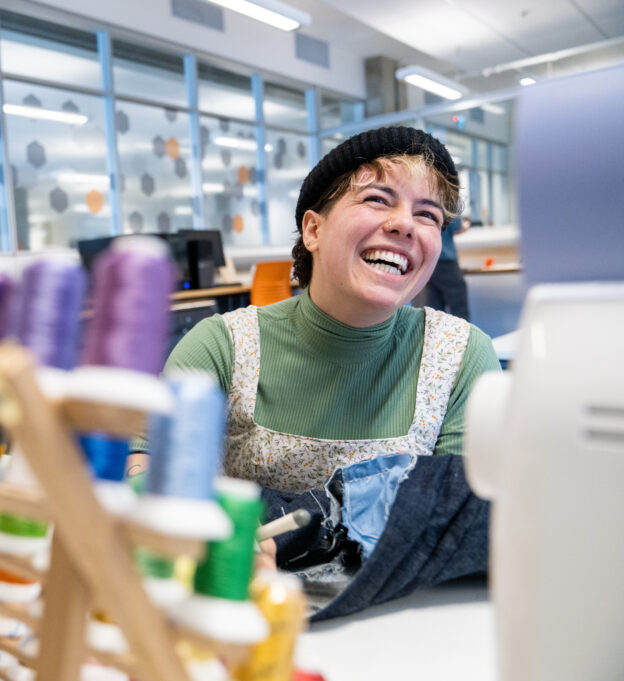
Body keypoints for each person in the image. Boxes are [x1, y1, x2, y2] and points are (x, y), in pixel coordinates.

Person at [165, 127, 500, 497]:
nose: (405, 224)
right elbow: (150, 481)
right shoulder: (221, 349)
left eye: (427, 215)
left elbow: (461, 520)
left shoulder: (460, 357)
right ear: (313, 230)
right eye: (377, 199)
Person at [424, 214, 470, 319]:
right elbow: (458, 228)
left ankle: (435, 334)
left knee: (435, 309)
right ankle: (461, 335)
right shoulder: (448, 207)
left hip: (430, 260)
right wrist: (466, 225)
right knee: (459, 310)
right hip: (446, 261)